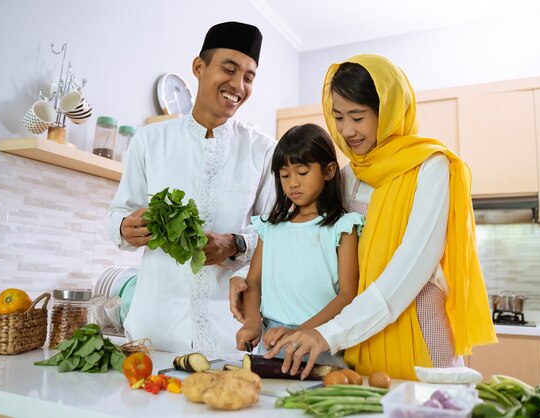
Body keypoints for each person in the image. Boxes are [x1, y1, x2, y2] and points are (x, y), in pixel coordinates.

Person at [231, 54, 497, 380]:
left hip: (417, 333)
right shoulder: (348, 176)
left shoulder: (431, 167)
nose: (346, 131)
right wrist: (247, 277)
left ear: (388, 112)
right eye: (339, 117)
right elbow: (301, 235)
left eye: (358, 117)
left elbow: (410, 270)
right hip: (360, 341)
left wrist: (328, 332)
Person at [108, 21, 277, 359]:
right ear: (199, 67)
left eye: (248, 76)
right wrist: (124, 227)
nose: (238, 85)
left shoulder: (264, 151)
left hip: (228, 337)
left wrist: (235, 243)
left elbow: (275, 234)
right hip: (153, 334)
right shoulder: (149, 141)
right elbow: (118, 215)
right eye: (229, 69)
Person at [235, 124, 364, 367]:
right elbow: (253, 281)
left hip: (321, 339)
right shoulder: (270, 226)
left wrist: (301, 333)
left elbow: (348, 295)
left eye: (302, 173)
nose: (292, 183)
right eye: (285, 175)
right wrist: (252, 322)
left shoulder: (343, 227)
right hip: (272, 340)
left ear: (328, 171)